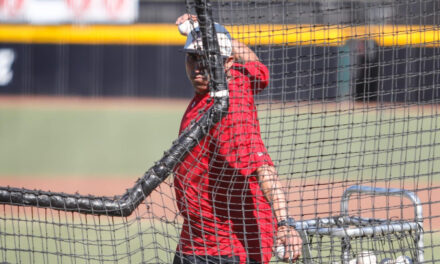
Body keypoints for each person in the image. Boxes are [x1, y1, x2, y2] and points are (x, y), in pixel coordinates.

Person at [173, 14, 302, 264]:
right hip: (198, 239)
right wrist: (210, 30)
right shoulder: (240, 78)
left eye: (208, 58)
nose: (198, 66)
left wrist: (284, 223)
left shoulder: (229, 111)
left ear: (227, 62)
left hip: (224, 250)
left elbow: (262, 168)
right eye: (192, 57)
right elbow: (257, 66)